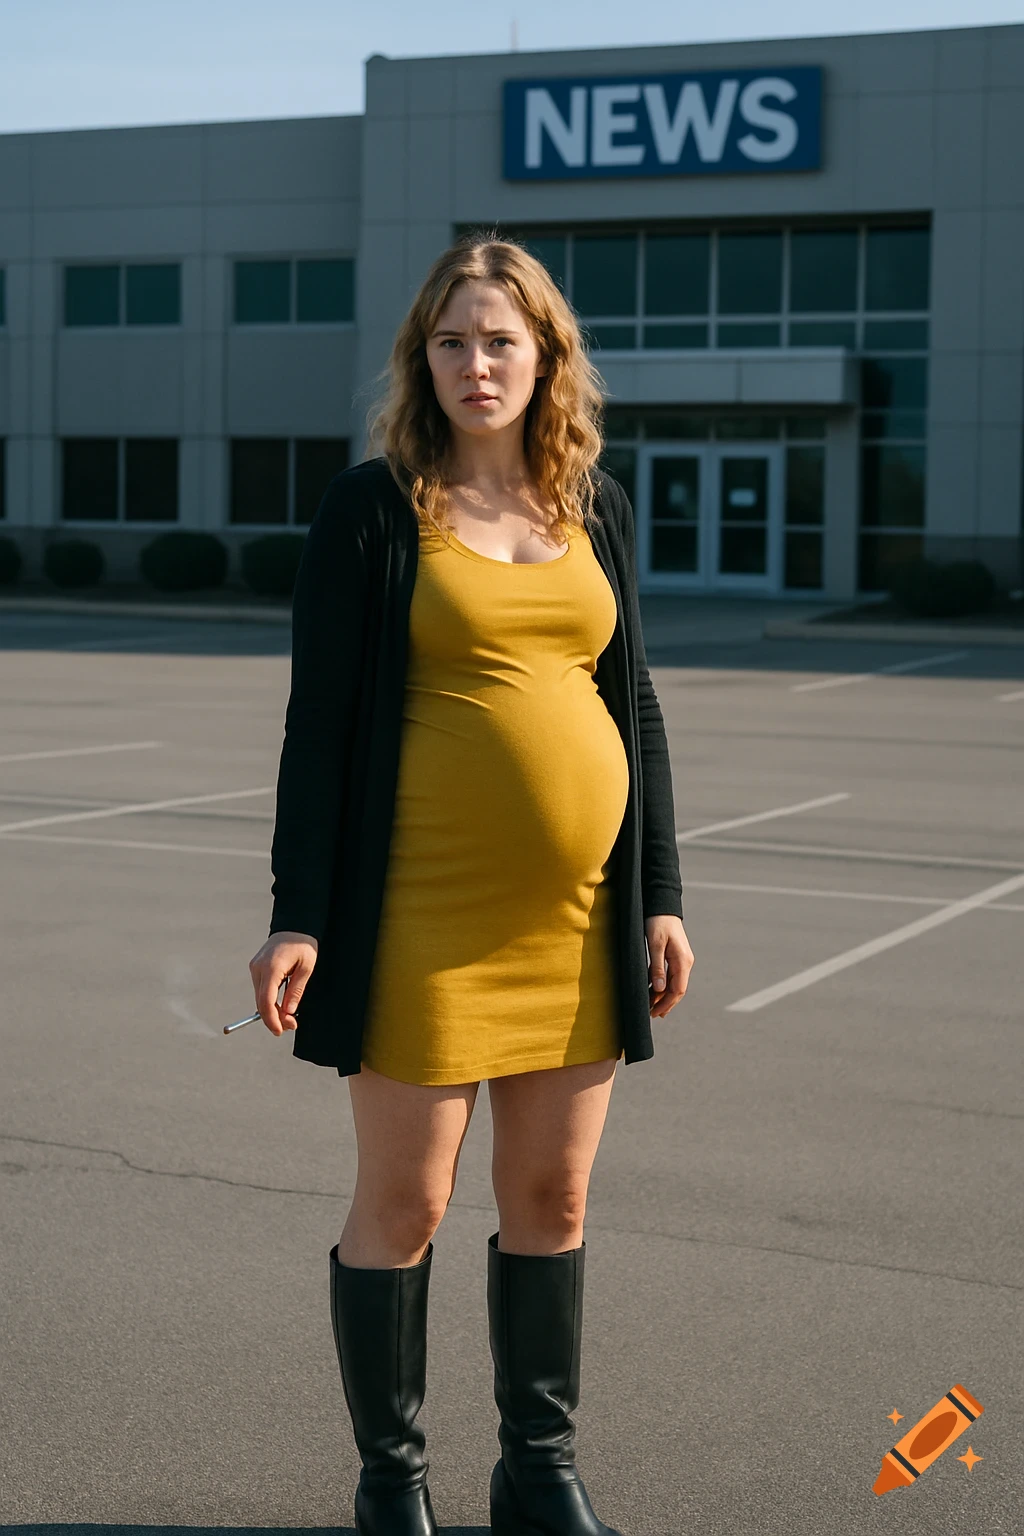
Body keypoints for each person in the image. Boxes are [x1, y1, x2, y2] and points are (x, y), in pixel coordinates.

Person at [248, 232, 694, 1536]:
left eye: (502, 339)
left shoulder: (590, 505)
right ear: (421, 359)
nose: (477, 362)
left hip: (576, 921)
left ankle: (537, 1473)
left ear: (546, 356)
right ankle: (393, 1485)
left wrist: (660, 890)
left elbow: (635, 707)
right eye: (453, 340)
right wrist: (298, 911)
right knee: (411, 1199)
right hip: (419, 921)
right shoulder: (374, 509)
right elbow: (316, 724)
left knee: (553, 1198)